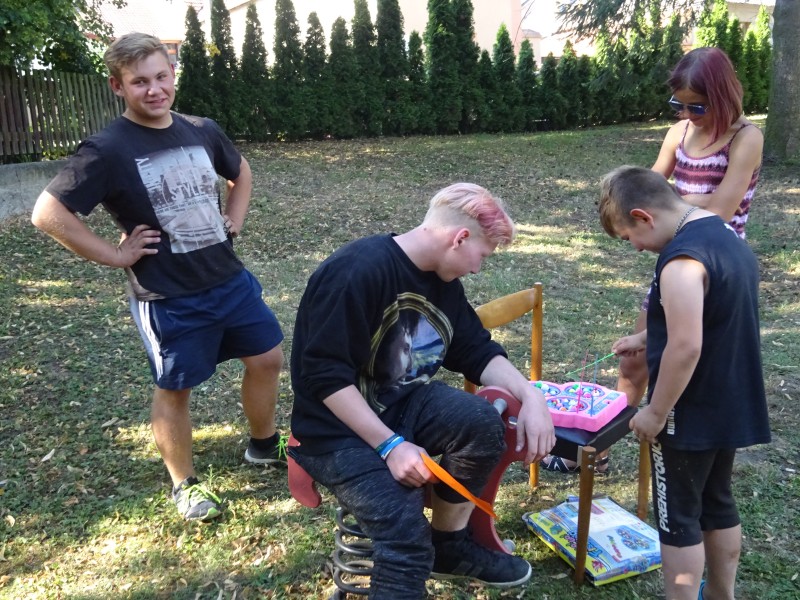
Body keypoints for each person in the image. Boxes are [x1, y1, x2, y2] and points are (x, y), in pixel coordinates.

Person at [30, 33, 285, 522]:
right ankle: (184, 484)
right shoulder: (107, 149)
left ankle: (262, 444)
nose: (154, 89)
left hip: (227, 278)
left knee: (268, 357)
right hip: (168, 295)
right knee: (175, 387)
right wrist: (115, 255)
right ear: (117, 86)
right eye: (139, 82)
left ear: (173, 75)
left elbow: (241, 171)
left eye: (162, 77)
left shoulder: (201, 129)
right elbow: (48, 213)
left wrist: (234, 219)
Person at [289, 183, 556, 599]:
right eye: (482, 256)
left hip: (401, 404)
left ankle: (448, 546)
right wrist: (390, 445)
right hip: (335, 431)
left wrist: (531, 394)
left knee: (482, 424)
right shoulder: (356, 272)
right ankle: (418, 557)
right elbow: (324, 378)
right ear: (460, 237)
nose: (478, 269)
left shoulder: (442, 280)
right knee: (406, 537)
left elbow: (476, 350)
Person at [542, 47, 764, 474]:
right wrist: (650, 202)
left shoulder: (746, 138)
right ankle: (596, 449)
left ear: (723, 97)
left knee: (689, 353)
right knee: (636, 355)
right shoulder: (679, 132)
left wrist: (671, 202)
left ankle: (677, 435)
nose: (687, 113)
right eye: (679, 104)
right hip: (676, 256)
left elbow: (721, 209)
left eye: (697, 106)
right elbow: (646, 188)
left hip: (714, 264)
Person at [599, 166, 770, 600]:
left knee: (678, 518)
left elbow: (686, 346)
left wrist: (656, 412)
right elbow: (712, 314)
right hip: (728, 397)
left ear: (643, 216)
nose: (636, 247)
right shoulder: (721, 232)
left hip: (688, 408)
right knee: (717, 500)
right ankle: (721, 594)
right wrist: (645, 337)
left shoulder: (681, 262)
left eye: (629, 236)